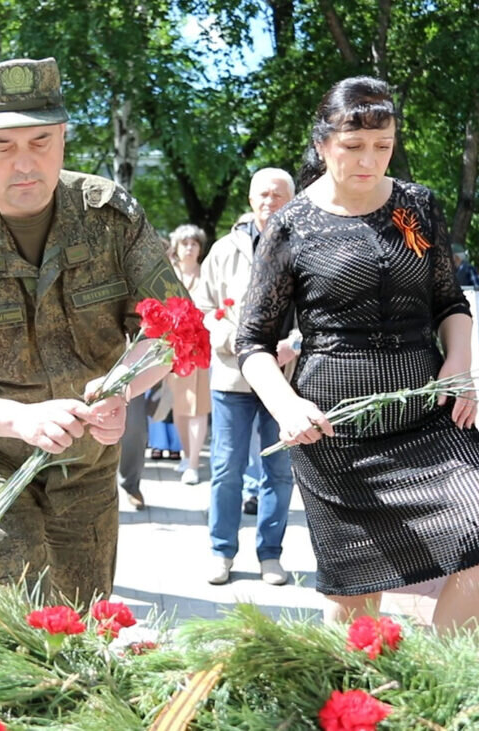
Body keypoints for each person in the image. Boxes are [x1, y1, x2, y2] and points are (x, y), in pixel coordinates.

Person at [0, 57, 185, 606]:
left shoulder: (112, 217)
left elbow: (173, 330)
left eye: (41, 141)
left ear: (64, 136)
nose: (25, 163)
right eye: (3, 145)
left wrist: (122, 389)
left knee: (83, 617)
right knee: (20, 610)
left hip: (86, 460)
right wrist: (19, 419)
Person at [236, 76, 479, 633]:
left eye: (382, 145)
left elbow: (449, 301)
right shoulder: (289, 227)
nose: (369, 160)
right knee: (356, 607)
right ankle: (365, 707)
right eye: (353, 146)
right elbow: (251, 343)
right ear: (322, 145)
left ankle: (443, 682)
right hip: (335, 434)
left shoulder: (418, 205)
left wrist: (458, 362)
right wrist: (286, 406)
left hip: (429, 419)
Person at [192, 167, 300, 587]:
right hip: (232, 377)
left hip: (285, 378)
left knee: (279, 471)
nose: (269, 201)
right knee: (226, 469)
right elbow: (202, 305)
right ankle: (221, 552)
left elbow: (323, 311)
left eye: (277, 194)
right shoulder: (224, 249)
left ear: (292, 199)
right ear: (251, 198)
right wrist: (222, 333)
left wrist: (297, 342)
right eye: (262, 194)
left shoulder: (306, 244)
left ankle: (270, 555)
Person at [168, 224, 211, 485]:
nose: (189, 247)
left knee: (198, 406)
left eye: (194, 243)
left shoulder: (207, 273)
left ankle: (194, 463)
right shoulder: (168, 275)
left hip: (200, 349)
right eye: (184, 243)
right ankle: (186, 454)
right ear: (176, 247)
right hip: (171, 351)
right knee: (179, 406)